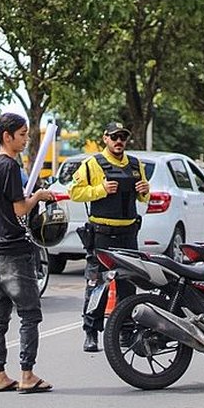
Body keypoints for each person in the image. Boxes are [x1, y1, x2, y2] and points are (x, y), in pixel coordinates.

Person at [0, 113, 54, 394]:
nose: (25, 140)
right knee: (29, 314)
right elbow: (20, 209)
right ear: (6, 136)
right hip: (12, 250)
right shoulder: (9, 166)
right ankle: (27, 375)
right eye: (22, 135)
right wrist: (38, 196)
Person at [68, 121, 150, 353]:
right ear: (105, 138)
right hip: (102, 235)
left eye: (122, 137)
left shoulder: (135, 164)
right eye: (114, 137)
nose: (118, 141)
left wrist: (145, 191)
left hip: (128, 234)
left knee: (127, 285)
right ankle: (91, 332)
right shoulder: (92, 164)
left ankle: (125, 331)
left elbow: (143, 197)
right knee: (97, 285)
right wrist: (100, 190)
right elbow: (74, 192)